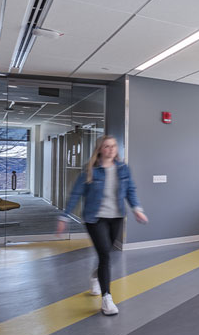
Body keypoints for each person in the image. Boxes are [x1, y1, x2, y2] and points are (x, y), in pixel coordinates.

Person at [57, 135, 147, 316]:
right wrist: (64, 217)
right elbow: (75, 194)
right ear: (100, 149)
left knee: (108, 254)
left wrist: (137, 208)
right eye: (107, 146)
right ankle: (107, 299)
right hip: (95, 218)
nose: (111, 149)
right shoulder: (90, 170)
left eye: (113, 146)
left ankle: (95, 276)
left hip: (117, 217)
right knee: (105, 254)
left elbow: (130, 190)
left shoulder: (123, 169)